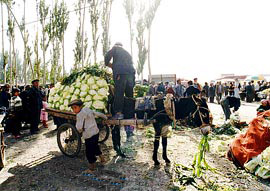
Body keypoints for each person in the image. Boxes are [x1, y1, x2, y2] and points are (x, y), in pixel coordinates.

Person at [68, 99, 107, 173]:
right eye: (72, 108)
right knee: (95, 146)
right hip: (95, 132)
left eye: (75, 107)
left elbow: (79, 127)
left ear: (80, 106)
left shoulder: (79, 115)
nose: (74, 110)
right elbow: (97, 113)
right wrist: (105, 117)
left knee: (89, 151)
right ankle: (102, 159)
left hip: (89, 135)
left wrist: (80, 131)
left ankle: (91, 168)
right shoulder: (87, 109)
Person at [105, 42, 135, 120]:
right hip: (131, 74)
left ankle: (118, 113)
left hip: (121, 74)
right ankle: (130, 113)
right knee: (129, 94)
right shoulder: (127, 53)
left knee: (119, 93)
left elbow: (107, 57)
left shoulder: (115, 49)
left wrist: (111, 66)